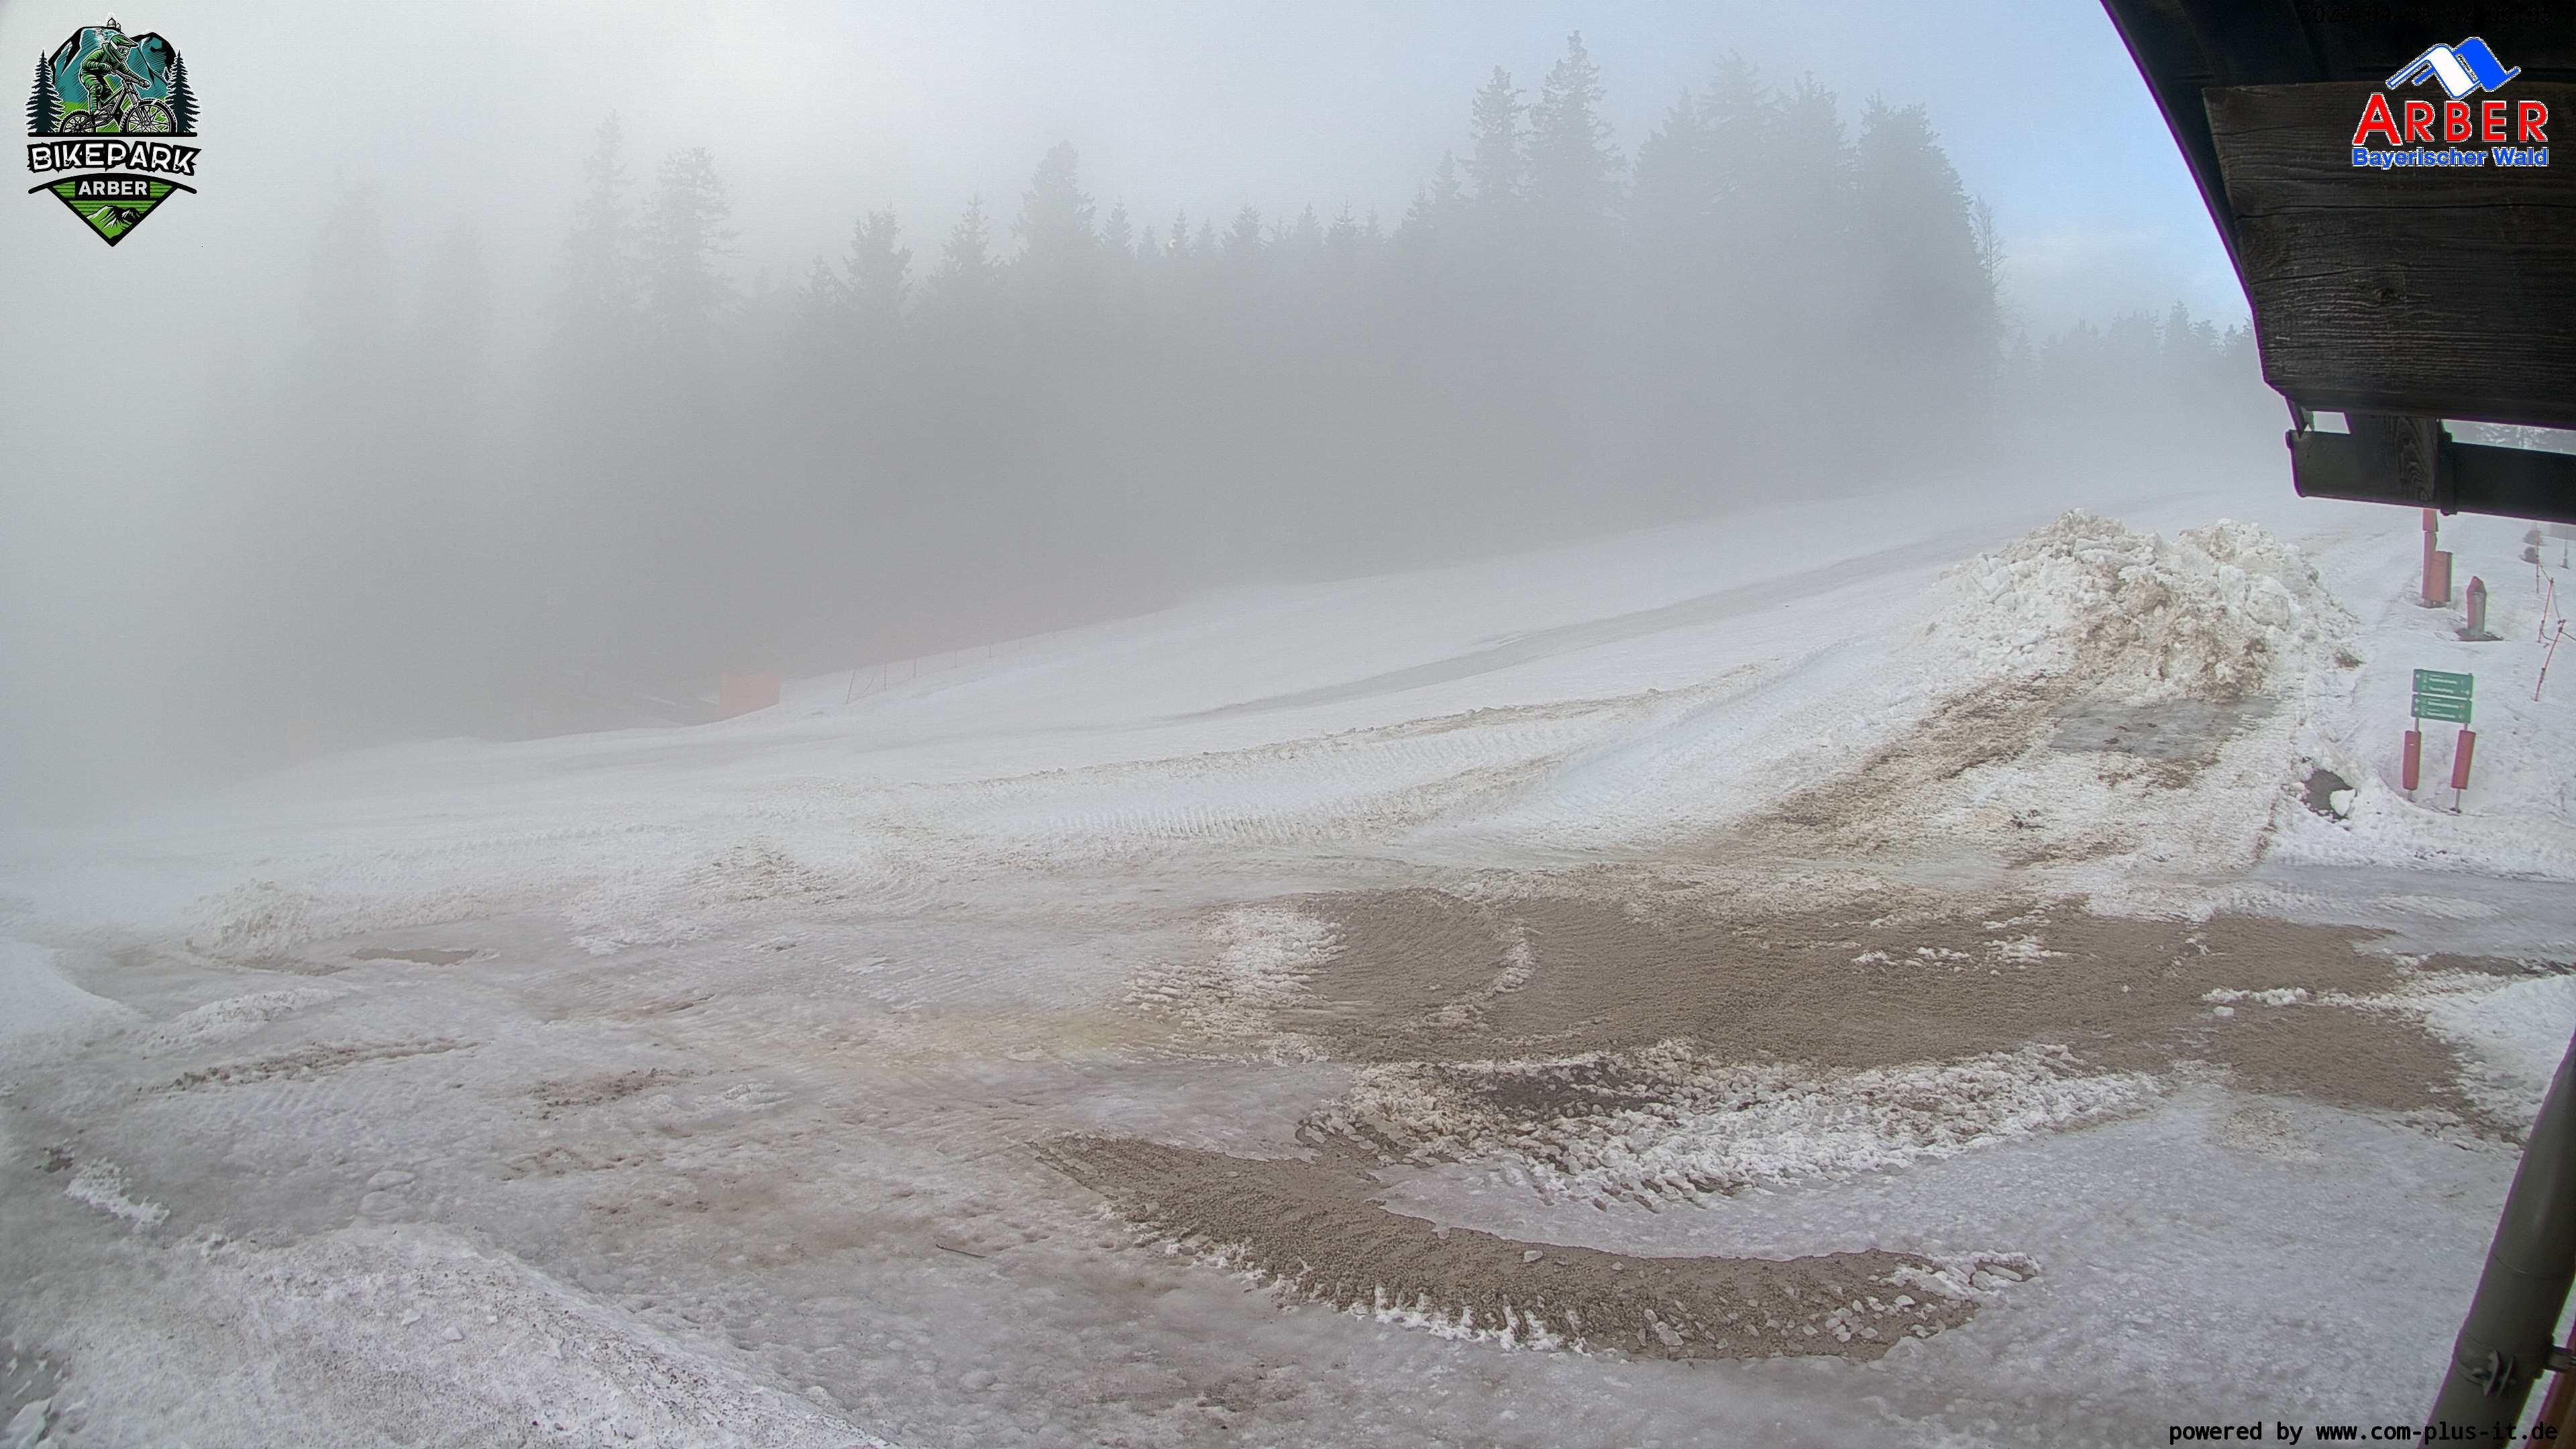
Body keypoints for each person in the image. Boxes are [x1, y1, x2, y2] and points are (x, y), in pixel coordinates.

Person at [78, 19, 148, 129]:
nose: (125, 55)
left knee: (114, 105)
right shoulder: (101, 53)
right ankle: (94, 112)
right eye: (122, 51)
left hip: (99, 77)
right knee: (97, 87)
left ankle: (123, 128)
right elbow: (85, 64)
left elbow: (128, 72)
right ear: (114, 48)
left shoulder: (118, 62)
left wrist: (140, 81)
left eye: (127, 52)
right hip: (88, 74)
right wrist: (101, 65)